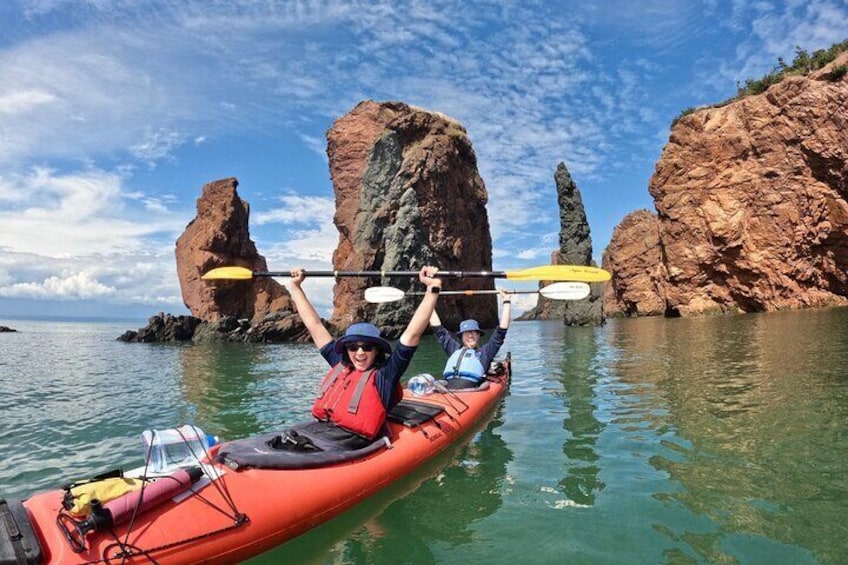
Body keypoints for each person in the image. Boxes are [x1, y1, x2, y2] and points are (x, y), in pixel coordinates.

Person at [289, 265, 442, 447]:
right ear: (346, 350)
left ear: (377, 350)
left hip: (346, 443)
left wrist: (432, 289)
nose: (359, 353)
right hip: (322, 431)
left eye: (367, 347)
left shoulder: (384, 376)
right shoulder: (340, 363)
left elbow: (412, 334)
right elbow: (314, 324)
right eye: (353, 347)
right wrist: (296, 287)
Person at [429, 289, 511, 390]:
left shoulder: (485, 353)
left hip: (470, 392)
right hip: (447, 390)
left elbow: (501, 331)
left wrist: (506, 301)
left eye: (473, 332)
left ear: (478, 335)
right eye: (467, 333)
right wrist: (430, 299)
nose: (470, 336)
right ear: (462, 336)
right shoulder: (454, 349)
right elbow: (438, 329)